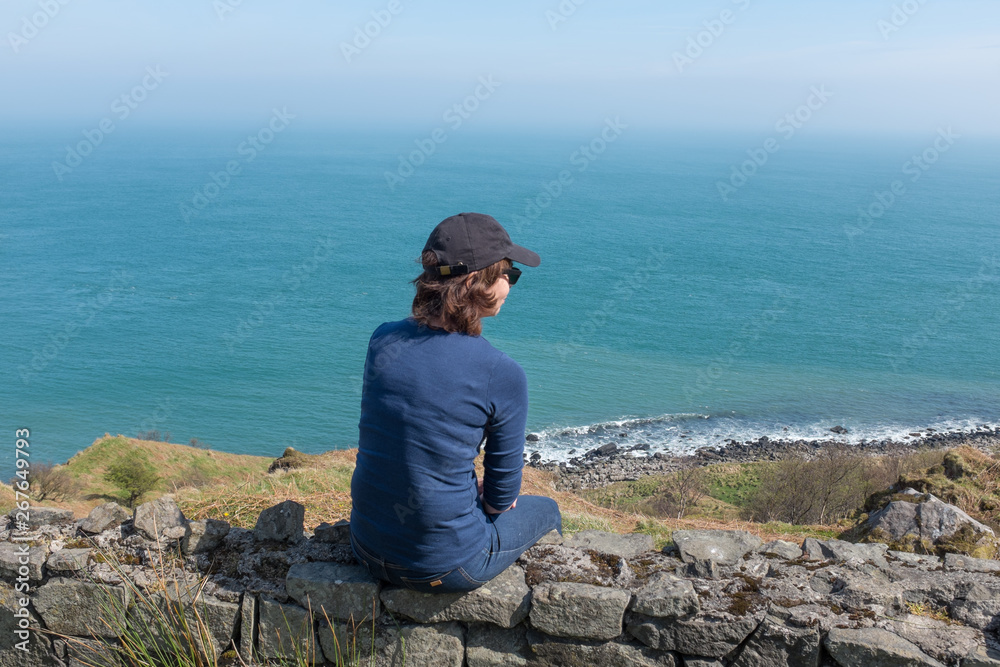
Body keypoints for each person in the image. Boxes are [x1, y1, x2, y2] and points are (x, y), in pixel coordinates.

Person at [348, 212, 562, 593]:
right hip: (445, 566)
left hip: (365, 546)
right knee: (548, 511)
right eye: (508, 275)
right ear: (477, 281)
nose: (511, 285)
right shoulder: (501, 373)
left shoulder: (382, 340)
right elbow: (499, 502)